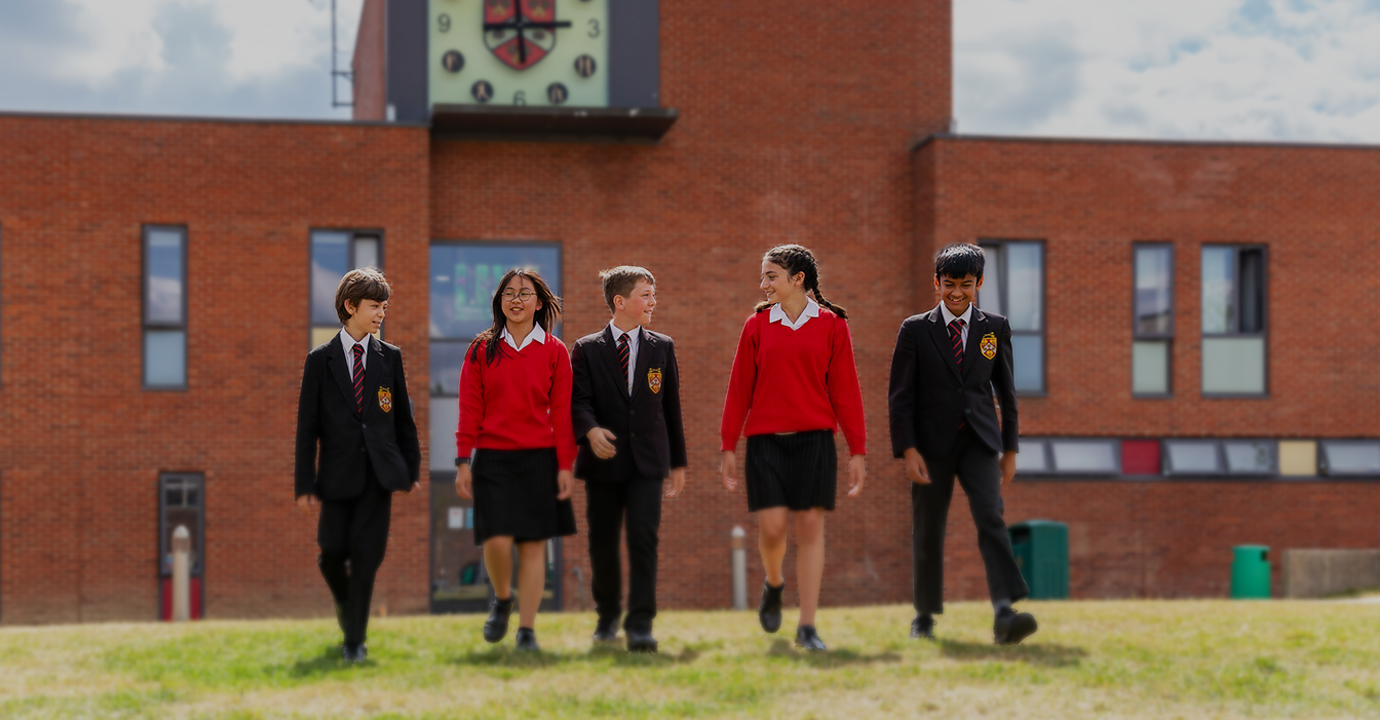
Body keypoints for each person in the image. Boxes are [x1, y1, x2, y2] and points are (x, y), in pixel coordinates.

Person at [887, 243, 1037, 645]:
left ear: (980, 284)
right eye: (949, 284)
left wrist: (1010, 449)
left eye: (966, 285)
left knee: (991, 518)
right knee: (928, 529)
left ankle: (1005, 611)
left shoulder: (995, 328)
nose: (957, 293)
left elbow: (1007, 394)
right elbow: (900, 396)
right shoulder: (915, 330)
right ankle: (923, 616)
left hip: (980, 442)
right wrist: (908, 449)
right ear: (936, 283)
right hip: (930, 445)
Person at [720, 244, 866, 652]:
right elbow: (739, 389)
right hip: (765, 442)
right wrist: (728, 444)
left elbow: (846, 390)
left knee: (809, 527)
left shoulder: (834, 325)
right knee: (772, 528)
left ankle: (807, 625)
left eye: (770, 276)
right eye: (764, 276)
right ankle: (774, 583)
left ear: (797, 278)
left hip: (815, 441)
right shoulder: (757, 325)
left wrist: (858, 449)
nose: (763, 283)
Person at [294, 268, 421, 664]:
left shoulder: (390, 358)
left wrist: (410, 469)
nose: (382, 313)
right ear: (350, 307)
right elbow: (306, 428)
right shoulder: (320, 360)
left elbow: (403, 419)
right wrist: (303, 484)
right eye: (374, 306)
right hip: (336, 477)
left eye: (385, 306)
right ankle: (350, 612)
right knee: (331, 555)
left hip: (378, 478)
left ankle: (355, 641)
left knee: (366, 558)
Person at [455, 268, 577, 653]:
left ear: (538, 303)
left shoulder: (555, 351)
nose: (516, 299)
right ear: (499, 301)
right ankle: (503, 598)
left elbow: (562, 412)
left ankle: (526, 630)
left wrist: (564, 465)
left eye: (525, 293)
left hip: (540, 458)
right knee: (495, 538)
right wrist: (462, 459)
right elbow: (470, 406)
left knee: (532, 546)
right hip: (492, 457)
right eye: (509, 293)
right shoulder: (481, 348)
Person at [570, 266, 688, 653]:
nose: (654, 302)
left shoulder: (662, 347)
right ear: (620, 302)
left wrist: (678, 464)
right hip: (603, 462)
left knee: (643, 540)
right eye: (646, 295)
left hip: (648, 463)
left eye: (654, 294)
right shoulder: (587, 349)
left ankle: (640, 625)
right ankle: (606, 619)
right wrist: (589, 431)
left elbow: (671, 408)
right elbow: (579, 401)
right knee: (602, 541)